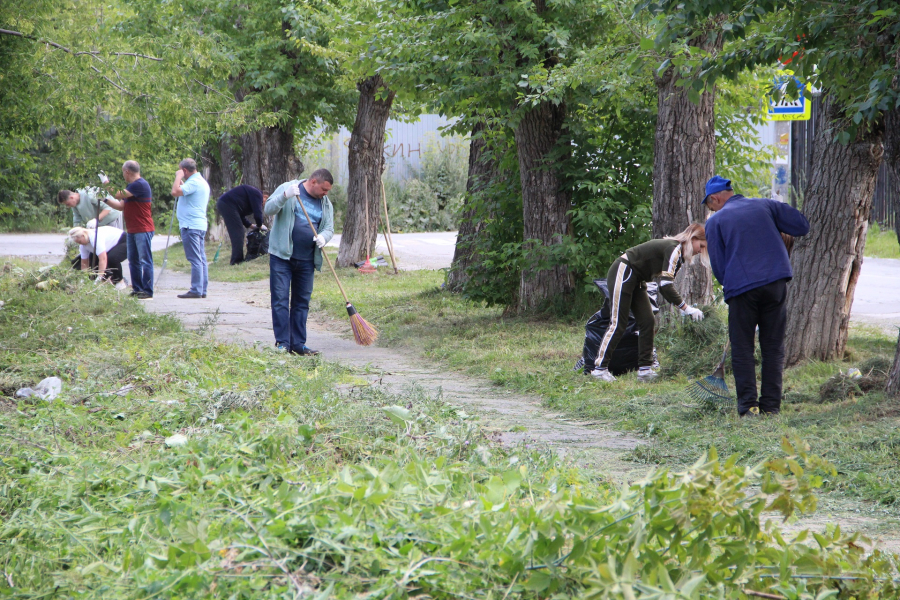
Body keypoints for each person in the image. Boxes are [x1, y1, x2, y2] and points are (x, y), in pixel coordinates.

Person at [703, 175, 810, 417]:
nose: (712, 211)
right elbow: (801, 227)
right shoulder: (765, 205)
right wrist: (776, 207)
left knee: (742, 348)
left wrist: (730, 287)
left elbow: (718, 266)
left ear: (715, 198)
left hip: (742, 289)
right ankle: (771, 407)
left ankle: (749, 408)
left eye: (711, 207)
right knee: (773, 347)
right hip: (776, 283)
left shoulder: (716, 221)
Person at [590, 224, 708, 383]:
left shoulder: (679, 256)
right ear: (693, 239)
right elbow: (665, 286)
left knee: (647, 321)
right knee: (619, 322)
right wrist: (686, 308)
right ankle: (599, 369)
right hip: (624, 270)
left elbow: (666, 286)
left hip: (638, 279)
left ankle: (645, 370)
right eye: (701, 246)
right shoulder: (674, 249)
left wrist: (682, 307)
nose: (700, 251)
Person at [264, 169, 335, 355]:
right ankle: (282, 343)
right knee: (280, 300)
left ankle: (298, 344)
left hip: (306, 260)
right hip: (282, 256)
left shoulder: (325, 203)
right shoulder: (289, 188)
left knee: (301, 302)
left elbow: (329, 228)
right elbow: (268, 208)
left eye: (328, 191)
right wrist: (285, 196)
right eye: (324, 189)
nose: (326, 194)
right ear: (313, 182)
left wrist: (324, 237)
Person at [99, 161, 155, 299]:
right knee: (133, 260)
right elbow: (120, 206)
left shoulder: (140, 184)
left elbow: (117, 194)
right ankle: (137, 289)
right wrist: (104, 199)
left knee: (145, 260)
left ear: (127, 171)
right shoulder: (131, 187)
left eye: (123, 172)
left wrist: (105, 182)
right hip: (132, 229)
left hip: (143, 228)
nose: (123, 175)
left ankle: (147, 291)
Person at [171, 158, 211, 299]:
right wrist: (182, 182)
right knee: (200, 258)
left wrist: (178, 177)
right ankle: (202, 289)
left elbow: (175, 191)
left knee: (195, 259)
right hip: (198, 225)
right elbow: (184, 191)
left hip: (191, 226)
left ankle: (196, 289)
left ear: (185, 170)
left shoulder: (194, 182)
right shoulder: (199, 182)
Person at [216, 184, 267, 265]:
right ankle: (236, 261)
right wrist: (260, 225)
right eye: (266, 201)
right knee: (238, 232)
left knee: (239, 231)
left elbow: (240, 215)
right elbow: (258, 214)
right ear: (265, 196)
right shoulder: (258, 195)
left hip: (226, 204)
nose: (264, 204)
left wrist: (251, 225)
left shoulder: (251, 196)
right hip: (227, 204)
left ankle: (237, 259)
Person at [57, 187, 123, 229]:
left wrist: (96, 220)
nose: (68, 206)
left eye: (68, 204)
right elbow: (77, 220)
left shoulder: (89, 195)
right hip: (100, 224)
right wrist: (75, 232)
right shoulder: (75, 205)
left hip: (112, 217)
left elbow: (108, 208)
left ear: (72, 197)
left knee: (114, 243)